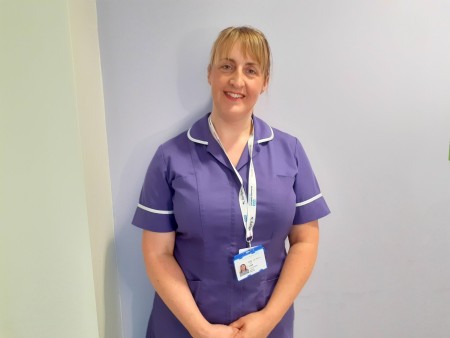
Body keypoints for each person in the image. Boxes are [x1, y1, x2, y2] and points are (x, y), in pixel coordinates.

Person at [132, 26, 330, 338]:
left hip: (267, 326)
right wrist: (201, 330)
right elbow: (157, 253)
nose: (237, 80)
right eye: (227, 66)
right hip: (184, 327)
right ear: (210, 73)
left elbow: (305, 241)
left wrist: (267, 320)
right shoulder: (170, 157)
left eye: (250, 70)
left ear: (264, 82)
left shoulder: (289, 151)